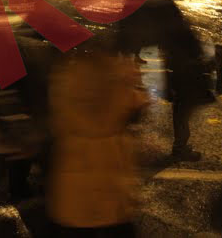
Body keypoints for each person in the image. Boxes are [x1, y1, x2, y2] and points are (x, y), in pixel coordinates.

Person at [46, 35, 149, 237]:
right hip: (111, 172)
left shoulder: (65, 74)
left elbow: (57, 117)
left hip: (74, 172)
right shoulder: (121, 73)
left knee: (75, 222)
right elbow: (137, 108)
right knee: (114, 225)